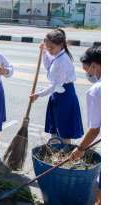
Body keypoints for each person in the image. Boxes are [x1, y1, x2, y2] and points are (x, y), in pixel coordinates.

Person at [30, 28, 84, 144]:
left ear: (61, 45)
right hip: (58, 95)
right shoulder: (57, 55)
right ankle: (56, 152)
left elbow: (54, 85)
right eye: (47, 46)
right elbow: (49, 65)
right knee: (55, 128)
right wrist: (44, 52)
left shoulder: (62, 61)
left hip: (65, 96)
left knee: (64, 130)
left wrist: (39, 94)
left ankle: (66, 155)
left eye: (52, 48)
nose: (49, 50)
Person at [69, 45, 101, 205]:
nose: (88, 74)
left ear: (94, 65)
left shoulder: (96, 90)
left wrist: (80, 149)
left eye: (88, 70)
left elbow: (95, 129)